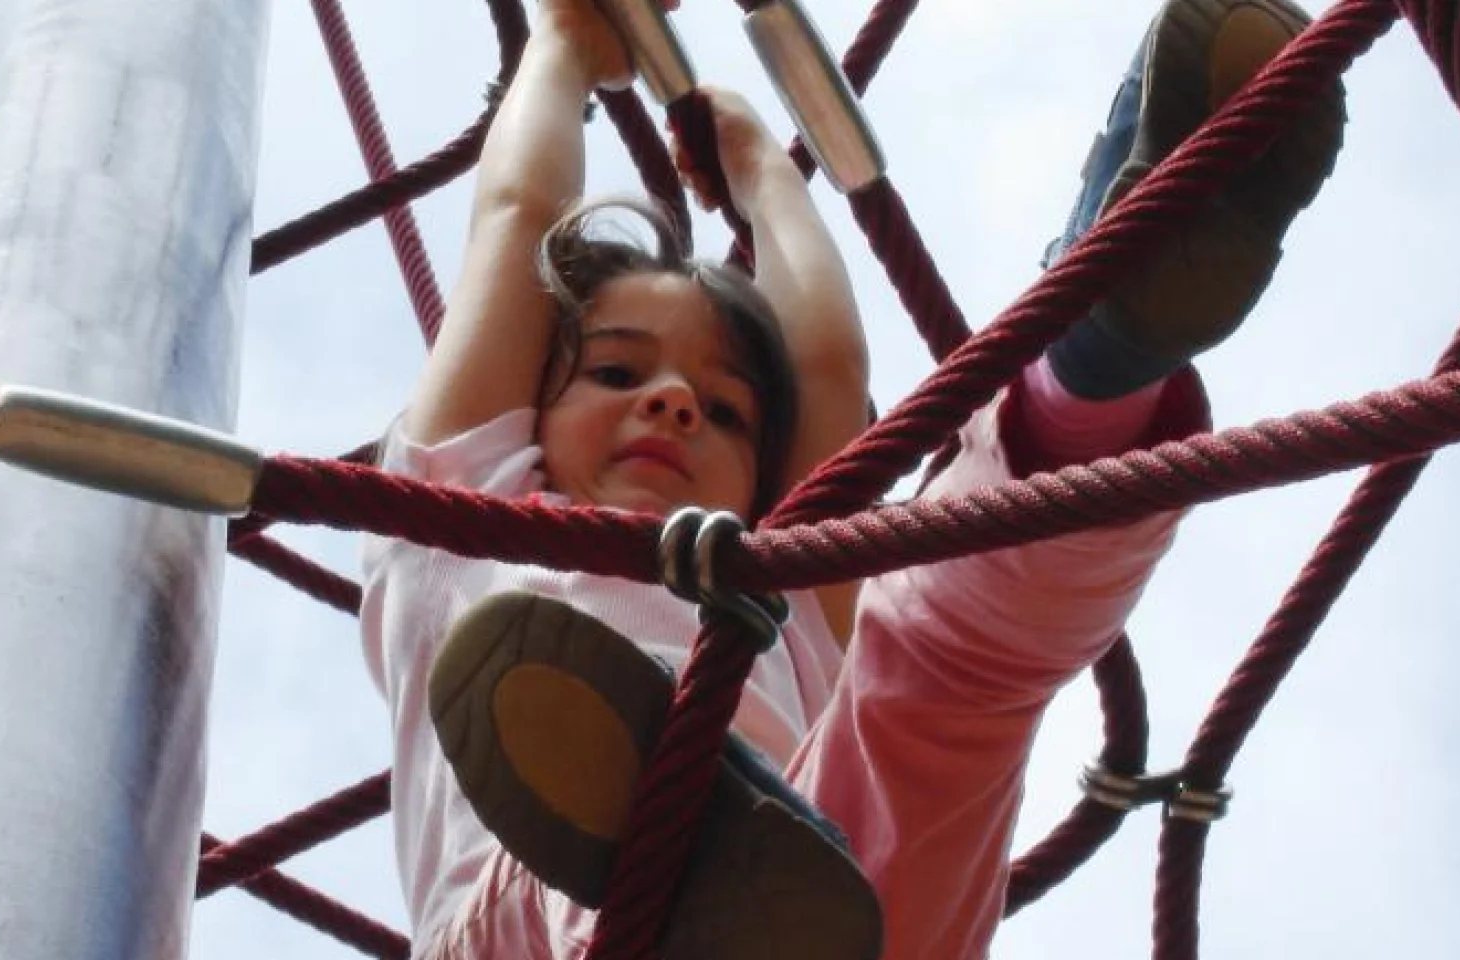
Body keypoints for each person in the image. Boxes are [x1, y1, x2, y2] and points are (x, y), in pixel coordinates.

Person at [357, 0, 1345, 957]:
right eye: (617, 372)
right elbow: (516, 217)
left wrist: (761, 170)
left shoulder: (775, 590)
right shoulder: (472, 513)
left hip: (833, 895)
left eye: (727, 411)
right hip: (548, 922)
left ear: (764, 473)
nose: (672, 403)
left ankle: (1094, 362)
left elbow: (828, 370)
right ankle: (693, 854)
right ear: (533, 397)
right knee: (652, 798)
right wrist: (567, 39)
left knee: (950, 665)